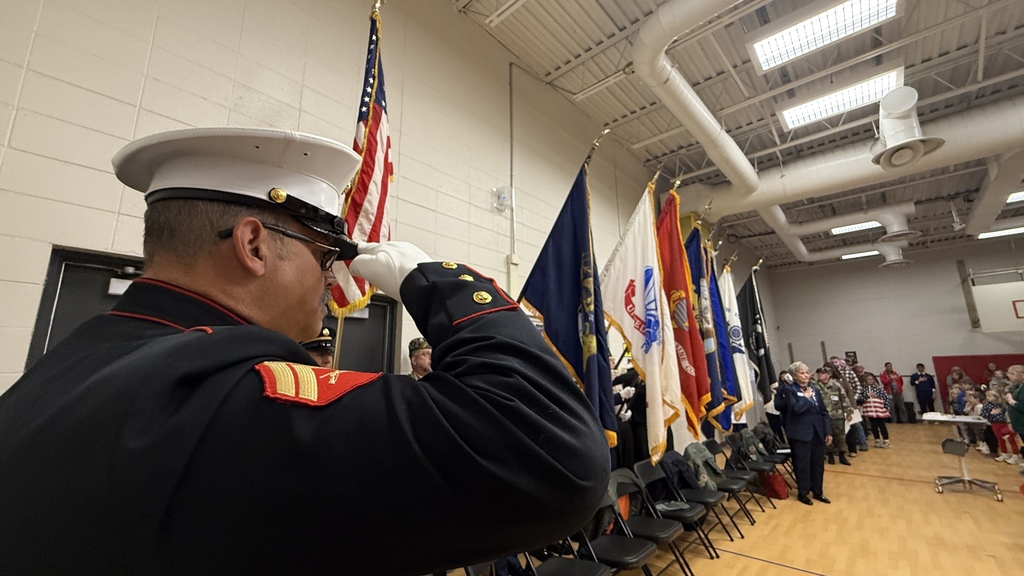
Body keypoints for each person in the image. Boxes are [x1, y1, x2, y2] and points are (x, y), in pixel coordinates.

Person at [0, 127, 610, 575]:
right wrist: (443, 283)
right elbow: (556, 457)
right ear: (254, 245)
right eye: (326, 257)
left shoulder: (62, 372)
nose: (333, 280)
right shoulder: (234, 397)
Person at [774, 362, 832, 505]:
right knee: (802, 464)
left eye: (807, 372)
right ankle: (803, 493)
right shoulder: (789, 391)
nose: (806, 375)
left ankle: (818, 491)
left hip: (817, 432)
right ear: (794, 376)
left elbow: (823, 412)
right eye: (802, 373)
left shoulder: (815, 390)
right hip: (799, 433)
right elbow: (796, 409)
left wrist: (828, 432)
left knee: (818, 464)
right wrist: (805, 398)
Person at [815, 368, 852, 465]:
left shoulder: (836, 385)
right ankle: (830, 455)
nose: (820, 376)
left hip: (837, 415)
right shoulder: (815, 387)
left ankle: (842, 456)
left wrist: (848, 412)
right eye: (818, 374)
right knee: (826, 437)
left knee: (840, 436)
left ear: (828, 375)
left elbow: (844, 398)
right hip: (823, 417)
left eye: (822, 373)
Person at [981, 390, 1019, 465]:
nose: (987, 398)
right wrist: (991, 414)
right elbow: (983, 413)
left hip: (1005, 424)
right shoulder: (987, 405)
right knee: (1000, 439)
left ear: (996, 397)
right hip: (994, 423)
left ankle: (1015, 456)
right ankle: (1004, 454)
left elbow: (1008, 414)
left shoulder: (1003, 405)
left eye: (989, 396)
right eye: (987, 396)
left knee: (1011, 439)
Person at [858, 373, 891, 448]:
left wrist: (886, 408)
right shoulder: (864, 390)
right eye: (868, 379)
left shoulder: (879, 389)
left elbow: (885, 398)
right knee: (873, 426)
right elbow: (860, 399)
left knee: (882, 425)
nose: (870, 381)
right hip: (870, 411)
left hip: (879, 410)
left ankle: (886, 439)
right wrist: (867, 395)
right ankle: (877, 439)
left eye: (871, 379)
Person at [1002, 365, 1024, 473]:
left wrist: (1011, 400)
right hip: (1018, 423)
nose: (1009, 376)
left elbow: (1022, 406)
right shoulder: (1017, 386)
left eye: (1012, 374)